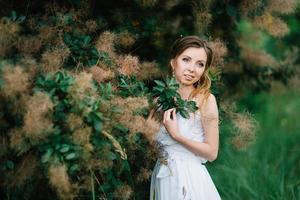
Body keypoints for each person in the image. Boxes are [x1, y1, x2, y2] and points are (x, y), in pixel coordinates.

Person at [150, 35, 221, 199]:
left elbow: (211, 153)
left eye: (200, 64)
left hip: (191, 179)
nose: (192, 69)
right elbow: (150, 144)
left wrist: (177, 136)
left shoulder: (205, 100)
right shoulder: (159, 101)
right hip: (163, 176)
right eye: (186, 60)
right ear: (173, 62)